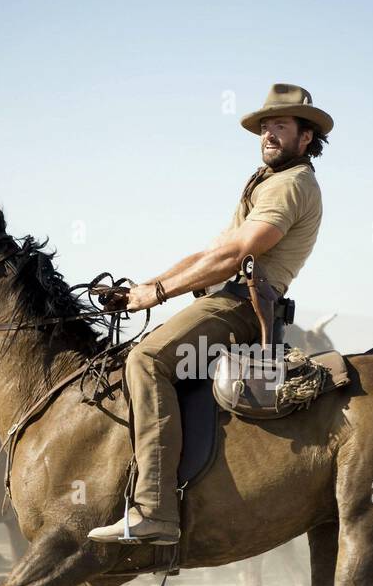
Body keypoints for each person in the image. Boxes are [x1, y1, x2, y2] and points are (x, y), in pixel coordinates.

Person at [88, 83, 332, 544]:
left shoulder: (293, 183)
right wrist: (144, 287)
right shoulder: (265, 182)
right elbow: (212, 252)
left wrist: (158, 292)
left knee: (147, 360)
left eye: (280, 125)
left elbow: (238, 252)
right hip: (226, 297)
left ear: (306, 137)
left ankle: (155, 510)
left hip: (241, 305)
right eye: (264, 127)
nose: (268, 134)